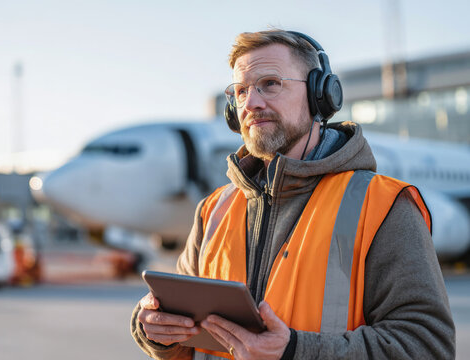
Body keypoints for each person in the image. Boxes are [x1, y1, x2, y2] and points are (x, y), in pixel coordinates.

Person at [130, 29, 455, 360]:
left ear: (320, 96)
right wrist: (157, 332)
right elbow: (188, 341)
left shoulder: (382, 205)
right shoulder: (213, 210)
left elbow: (427, 347)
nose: (251, 103)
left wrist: (296, 352)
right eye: (241, 91)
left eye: (270, 84)